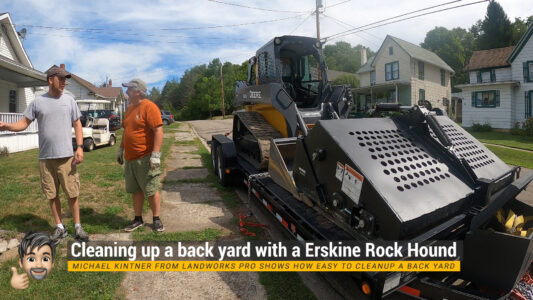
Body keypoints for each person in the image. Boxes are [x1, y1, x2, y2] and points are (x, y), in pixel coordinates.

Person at [0, 65, 88, 244]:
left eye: (65, 79)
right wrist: (6, 126)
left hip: (66, 157)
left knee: (72, 193)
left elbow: (77, 124)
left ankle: (78, 226)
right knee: (52, 194)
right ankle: (60, 227)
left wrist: (79, 147)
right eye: (61, 79)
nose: (64, 82)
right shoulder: (38, 102)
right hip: (45, 158)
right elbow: (24, 123)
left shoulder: (69, 101)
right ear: (50, 80)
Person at [118, 78, 164, 232]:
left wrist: (155, 155)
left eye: (129, 89)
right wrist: (120, 149)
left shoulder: (149, 107)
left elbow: (158, 130)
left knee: (151, 189)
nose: (126, 92)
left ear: (138, 92)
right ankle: (138, 219)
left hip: (145, 157)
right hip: (130, 159)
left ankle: (156, 218)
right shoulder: (130, 109)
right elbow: (126, 131)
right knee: (135, 190)